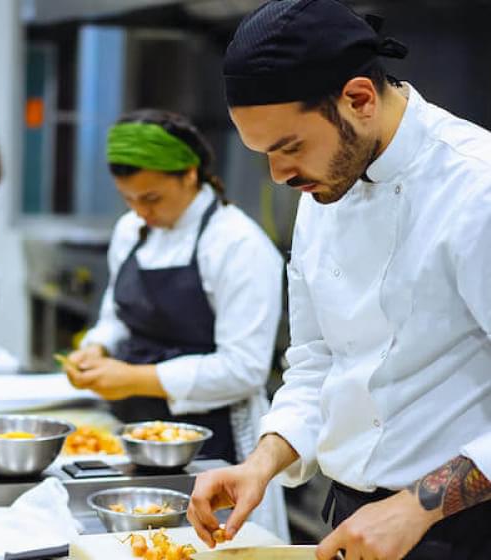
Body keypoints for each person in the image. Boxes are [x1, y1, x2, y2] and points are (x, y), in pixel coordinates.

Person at [187, 1, 491, 559]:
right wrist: (262, 462)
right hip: (353, 517)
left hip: (463, 525)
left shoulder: (476, 189)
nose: (279, 177)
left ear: (359, 99)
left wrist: (414, 508)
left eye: (289, 147)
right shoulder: (329, 182)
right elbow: (318, 360)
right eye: (264, 155)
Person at [66, 109, 289, 538]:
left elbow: (243, 369)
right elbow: (116, 314)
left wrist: (134, 377)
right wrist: (96, 348)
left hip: (215, 447)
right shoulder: (132, 230)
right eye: (128, 199)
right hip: (134, 433)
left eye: (150, 198)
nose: (139, 211)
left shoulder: (237, 245)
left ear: (190, 174)